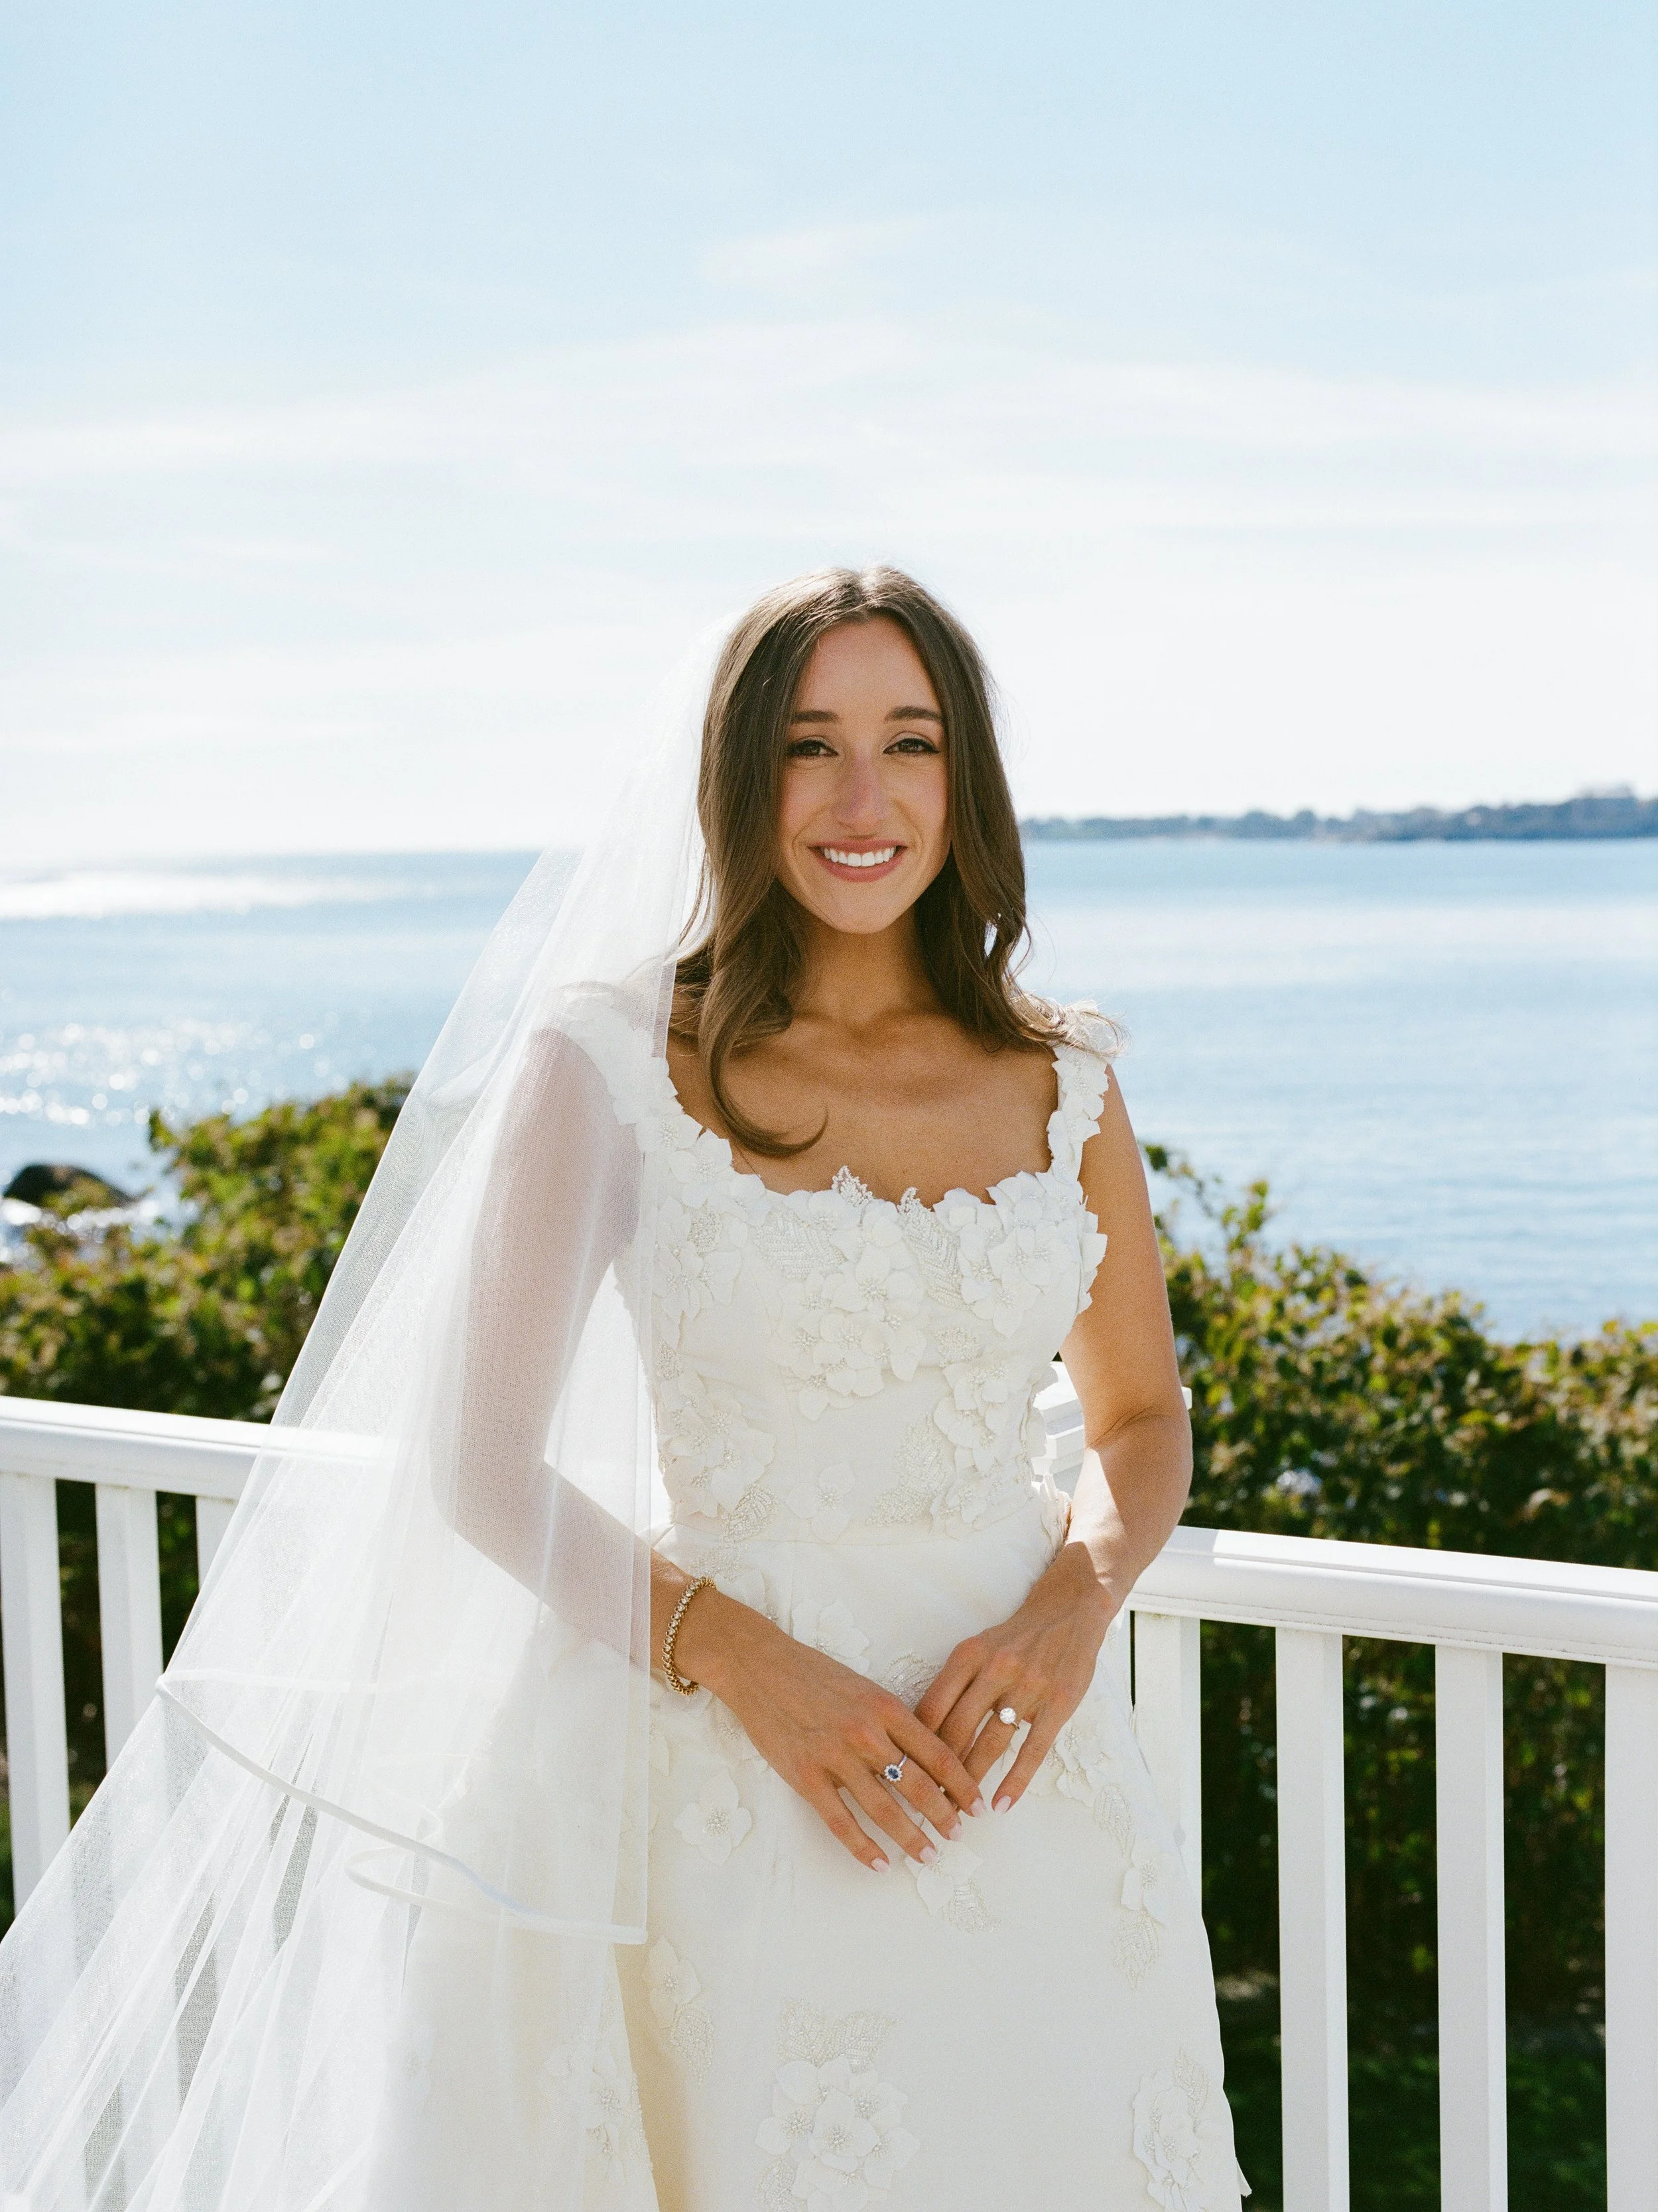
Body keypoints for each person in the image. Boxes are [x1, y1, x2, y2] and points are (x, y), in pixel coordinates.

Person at [0, 566, 1242, 2212]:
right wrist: (746, 1665)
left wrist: (1070, 1615)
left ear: (967, 780)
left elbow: (1140, 1421)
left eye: (909, 743)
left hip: (1014, 1772)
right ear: (737, 780)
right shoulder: (607, 1060)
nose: (862, 801)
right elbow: (480, 1467)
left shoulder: (1060, 1077)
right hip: (707, 1777)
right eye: (809, 748)